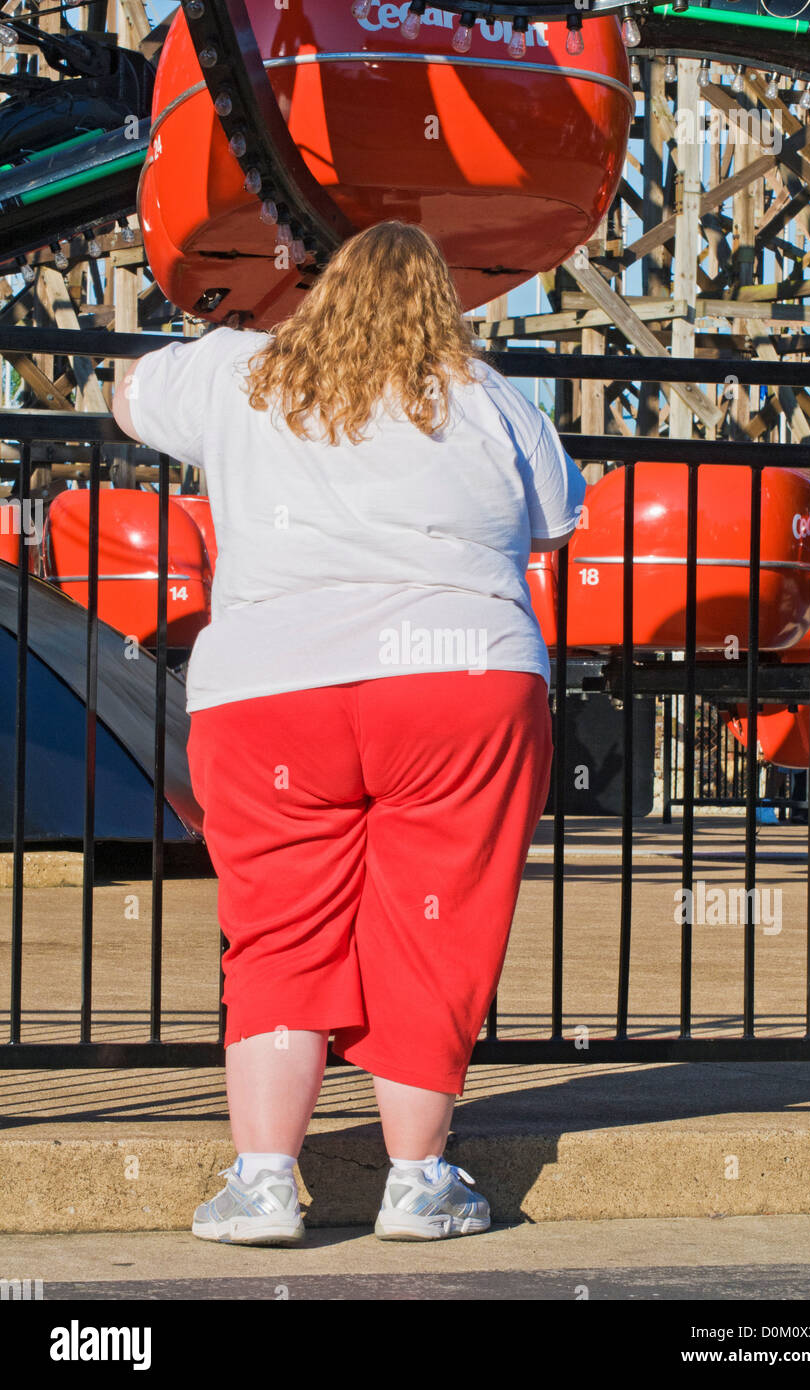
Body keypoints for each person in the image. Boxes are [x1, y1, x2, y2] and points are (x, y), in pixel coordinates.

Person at [111, 221, 585, 1245]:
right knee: (437, 918)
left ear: (317, 293)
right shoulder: (493, 395)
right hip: (460, 678)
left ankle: (263, 1182)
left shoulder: (240, 368)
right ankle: (417, 1180)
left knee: (275, 922)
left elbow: (125, 397)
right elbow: (556, 518)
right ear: (445, 304)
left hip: (272, 686)